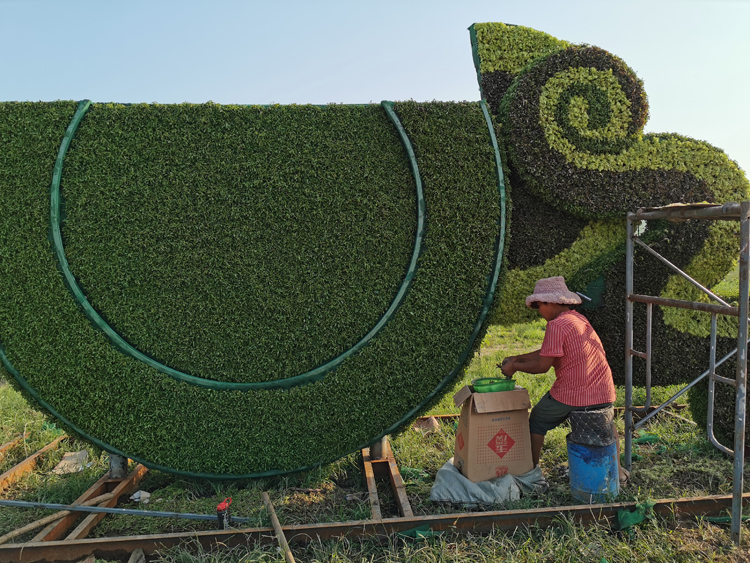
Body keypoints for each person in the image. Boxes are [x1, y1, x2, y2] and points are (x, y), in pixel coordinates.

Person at [497, 276, 629, 485]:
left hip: (575, 392)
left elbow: (542, 366)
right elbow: (548, 352)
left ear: (551, 302)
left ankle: (529, 473)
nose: (539, 312)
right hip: (603, 391)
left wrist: (514, 367)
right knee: (606, 425)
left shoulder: (557, 325)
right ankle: (618, 471)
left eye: (539, 306)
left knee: (537, 421)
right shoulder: (577, 318)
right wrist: (518, 358)